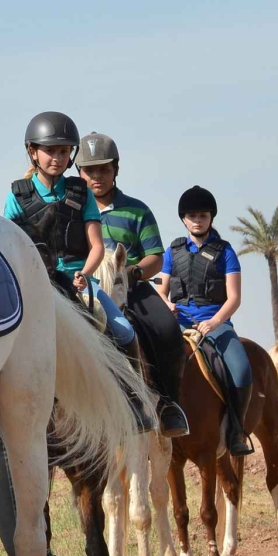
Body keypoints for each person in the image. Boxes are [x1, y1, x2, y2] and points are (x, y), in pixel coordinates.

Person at [0, 117, 150, 556]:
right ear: (32, 152)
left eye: (65, 151)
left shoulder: (80, 193)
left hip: (74, 279)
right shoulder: (17, 194)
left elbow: (97, 245)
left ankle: (139, 403)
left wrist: (85, 275)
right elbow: (8, 242)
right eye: (51, 151)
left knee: (121, 330)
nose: (58, 157)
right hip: (31, 282)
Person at [75, 132, 190, 438]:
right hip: (85, 288)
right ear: (79, 173)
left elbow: (155, 256)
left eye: (104, 169)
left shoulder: (137, 210)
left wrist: (133, 273)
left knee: (167, 329)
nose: (96, 176)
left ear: (116, 169)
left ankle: (168, 405)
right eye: (90, 170)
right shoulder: (72, 211)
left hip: (131, 287)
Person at [156, 185, 254, 457]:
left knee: (242, 369)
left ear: (211, 217)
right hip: (178, 322)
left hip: (215, 322)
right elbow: (161, 291)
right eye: (192, 215)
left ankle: (236, 430)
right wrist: (166, 304)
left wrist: (214, 322)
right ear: (184, 219)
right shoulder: (172, 251)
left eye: (203, 215)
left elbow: (234, 298)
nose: (197, 220)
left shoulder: (225, 252)